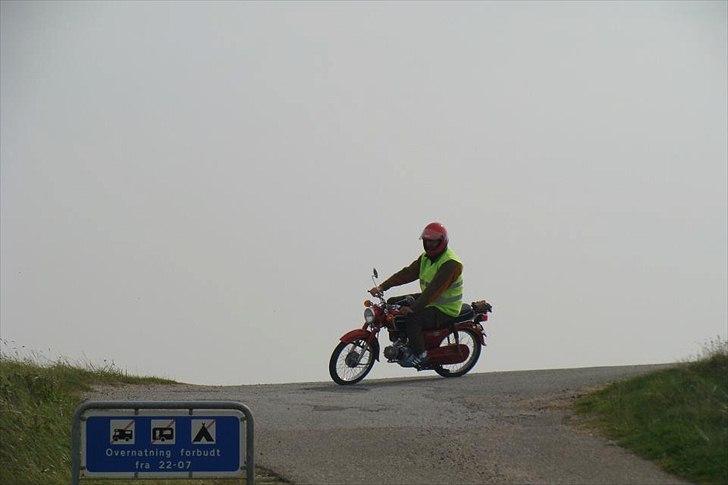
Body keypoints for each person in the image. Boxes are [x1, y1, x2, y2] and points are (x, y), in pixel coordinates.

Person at [369, 222, 464, 369]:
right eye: (427, 241)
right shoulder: (425, 258)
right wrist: (383, 286)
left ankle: (421, 355)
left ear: (442, 241)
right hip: (431, 300)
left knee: (413, 317)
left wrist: (414, 308)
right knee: (392, 302)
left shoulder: (451, 263)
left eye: (433, 241)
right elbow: (407, 273)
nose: (429, 244)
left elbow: (433, 290)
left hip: (445, 308)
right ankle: (401, 340)